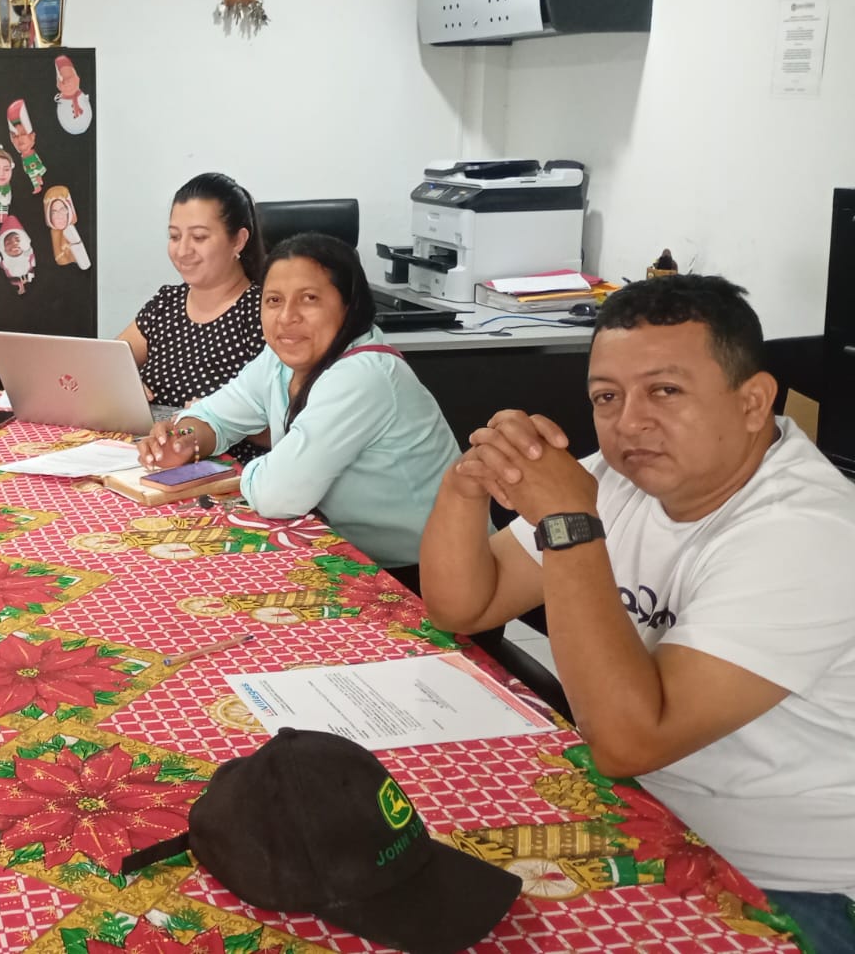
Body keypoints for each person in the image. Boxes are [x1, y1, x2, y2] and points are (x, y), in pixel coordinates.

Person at [418, 274, 855, 948]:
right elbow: (463, 605)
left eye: (665, 391)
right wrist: (469, 483)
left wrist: (568, 524)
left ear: (752, 402)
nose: (629, 423)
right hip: (642, 817)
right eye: (607, 396)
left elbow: (628, 742)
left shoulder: (808, 532)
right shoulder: (621, 480)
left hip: (778, 881)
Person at [139, 233, 459, 573]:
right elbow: (214, 415)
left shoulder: (364, 375)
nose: (287, 317)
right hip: (350, 555)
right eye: (274, 300)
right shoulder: (279, 361)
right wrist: (184, 439)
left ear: (349, 305)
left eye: (309, 299)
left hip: (429, 575)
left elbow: (276, 495)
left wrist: (240, 472)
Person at [118, 173, 265, 412]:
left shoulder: (263, 312)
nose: (183, 250)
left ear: (238, 240)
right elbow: (104, 364)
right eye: (175, 236)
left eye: (199, 237)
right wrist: (124, 386)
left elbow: (281, 411)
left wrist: (221, 415)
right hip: (146, 435)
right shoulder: (166, 304)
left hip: (214, 438)